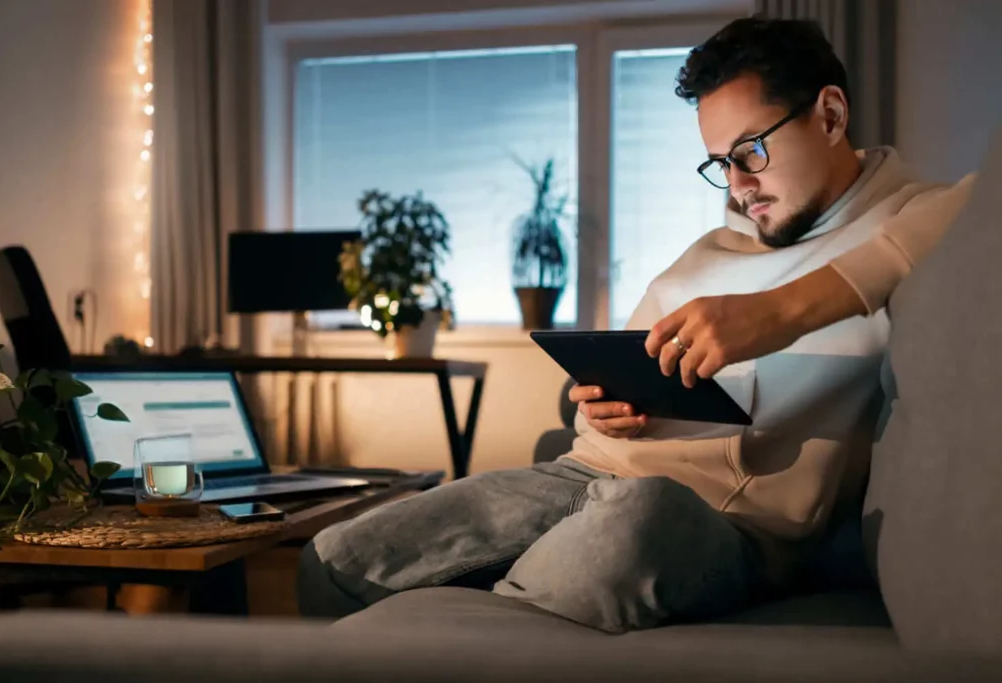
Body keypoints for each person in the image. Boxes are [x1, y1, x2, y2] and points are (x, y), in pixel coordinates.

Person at [297, 17, 975, 634]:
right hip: (585, 472)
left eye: (751, 152)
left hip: (719, 522)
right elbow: (591, 424)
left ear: (829, 114)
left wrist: (772, 314)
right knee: (333, 558)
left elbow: (958, 213)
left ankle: (491, 618)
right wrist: (603, 411)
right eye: (720, 164)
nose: (738, 186)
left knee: (635, 520)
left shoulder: (920, 217)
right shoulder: (711, 251)